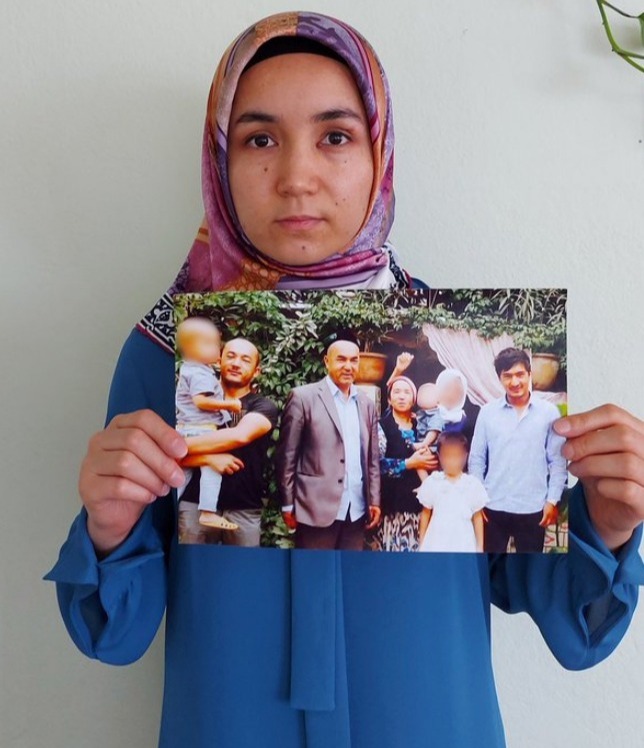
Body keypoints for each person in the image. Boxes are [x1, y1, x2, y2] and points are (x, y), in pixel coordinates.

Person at [44, 12, 644, 748]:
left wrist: (608, 524)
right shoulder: (167, 356)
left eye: (336, 136)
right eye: (258, 138)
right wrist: (108, 531)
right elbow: (117, 632)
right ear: (218, 161)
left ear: (379, 153)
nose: (297, 177)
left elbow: (559, 612)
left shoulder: (460, 354)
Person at [276, 339, 381, 550]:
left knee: (349, 576)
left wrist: (374, 499)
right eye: (341, 360)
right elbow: (287, 455)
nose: (348, 366)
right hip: (314, 508)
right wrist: (288, 503)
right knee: (315, 576)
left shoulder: (366, 404)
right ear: (326, 361)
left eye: (354, 360)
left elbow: (372, 459)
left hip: (357, 509)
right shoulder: (303, 397)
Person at [177, 337, 279, 547]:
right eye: (230, 356)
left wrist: (179, 446)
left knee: (243, 574)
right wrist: (207, 459)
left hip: (243, 507)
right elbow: (167, 457)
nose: (236, 363)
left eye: (245, 359)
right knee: (193, 572)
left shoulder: (263, 406)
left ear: (256, 371)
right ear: (219, 361)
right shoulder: (194, 402)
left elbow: (239, 436)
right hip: (194, 504)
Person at [468, 347, 568, 553]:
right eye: (507, 376)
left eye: (520, 374)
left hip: (533, 508)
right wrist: (478, 500)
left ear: (529, 374)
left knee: (528, 574)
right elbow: (477, 459)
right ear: (499, 378)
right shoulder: (487, 413)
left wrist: (552, 499)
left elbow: (557, 461)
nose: (515, 382)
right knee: (492, 573)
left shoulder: (548, 413)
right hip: (493, 506)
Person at [174, 317, 241, 531]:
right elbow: (200, 401)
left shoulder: (192, 369)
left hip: (188, 428)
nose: (217, 349)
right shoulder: (198, 373)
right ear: (192, 348)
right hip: (199, 429)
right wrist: (228, 405)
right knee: (213, 468)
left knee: (180, 475)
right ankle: (208, 512)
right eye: (211, 344)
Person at [372, 375, 436, 551]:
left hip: (421, 511)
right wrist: (409, 463)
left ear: (414, 399)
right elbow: (375, 465)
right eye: (397, 391)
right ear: (389, 398)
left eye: (407, 392)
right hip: (392, 510)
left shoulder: (423, 428)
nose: (401, 396)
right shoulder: (381, 426)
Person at [417, 431, 489, 553]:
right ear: (439, 456)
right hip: (437, 541)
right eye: (447, 456)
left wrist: (479, 547)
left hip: (463, 541)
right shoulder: (434, 482)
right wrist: (422, 543)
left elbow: (477, 517)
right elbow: (425, 513)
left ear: (465, 456)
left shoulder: (472, 485)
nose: (452, 461)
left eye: (456, 457)